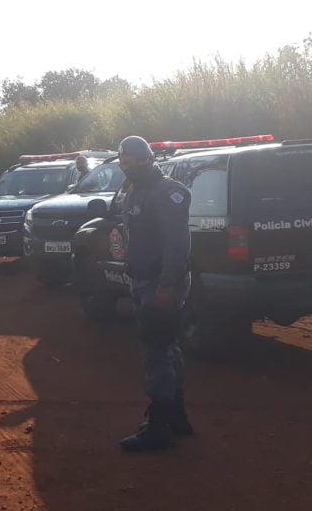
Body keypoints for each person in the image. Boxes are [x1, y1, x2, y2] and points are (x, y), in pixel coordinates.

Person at [117, 135, 193, 453]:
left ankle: (159, 426)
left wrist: (166, 284)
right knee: (168, 348)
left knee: (156, 352)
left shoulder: (169, 193)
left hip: (162, 283)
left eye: (137, 160)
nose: (131, 166)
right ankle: (176, 415)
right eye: (125, 162)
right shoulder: (136, 191)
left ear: (150, 159)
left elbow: (176, 244)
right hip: (145, 280)